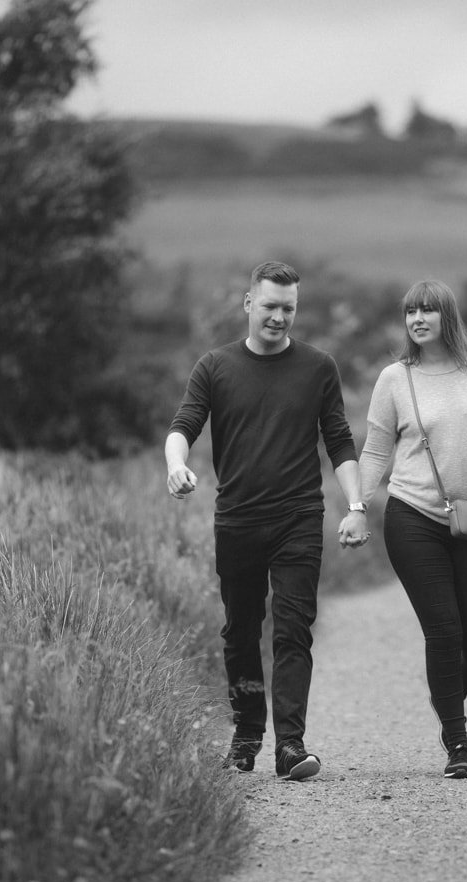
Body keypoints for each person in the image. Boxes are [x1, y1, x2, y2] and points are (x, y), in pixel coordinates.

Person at [167, 260, 365, 781]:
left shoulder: (319, 367)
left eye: (289, 308)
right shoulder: (215, 366)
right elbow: (183, 425)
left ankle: (290, 746)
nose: (279, 317)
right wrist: (175, 464)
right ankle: (248, 731)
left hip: (299, 514)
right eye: (271, 306)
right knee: (240, 631)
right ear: (249, 304)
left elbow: (339, 440)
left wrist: (357, 505)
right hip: (237, 520)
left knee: (294, 629)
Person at [338, 279, 467, 779]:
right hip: (412, 516)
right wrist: (358, 506)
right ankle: (458, 741)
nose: (417, 319)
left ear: (448, 316)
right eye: (410, 312)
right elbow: (377, 450)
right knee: (444, 630)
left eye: (427, 310)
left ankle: (445, 695)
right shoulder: (395, 379)